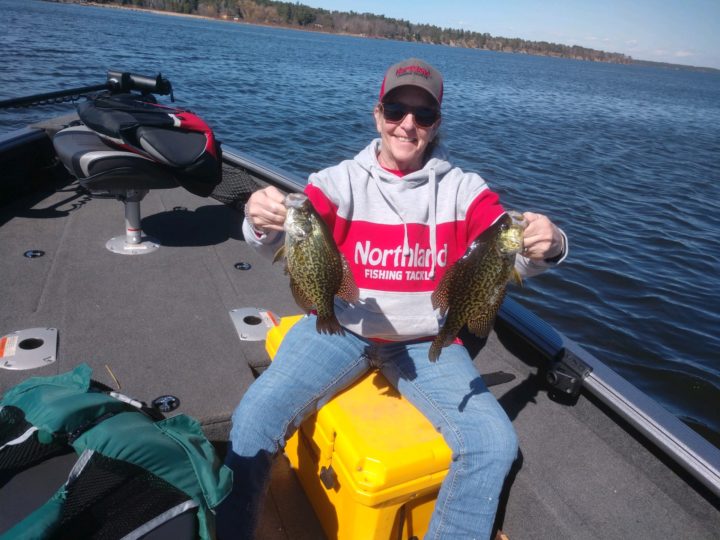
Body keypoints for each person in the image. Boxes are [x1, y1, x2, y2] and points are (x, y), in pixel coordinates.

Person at [217, 58, 567, 539]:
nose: (407, 124)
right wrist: (259, 216)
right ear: (378, 114)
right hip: (339, 328)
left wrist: (549, 243)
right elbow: (279, 239)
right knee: (254, 419)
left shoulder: (465, 190)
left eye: (422, 116)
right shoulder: (335, 182)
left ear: (435, 126)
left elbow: (509, 254)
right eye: (396, 109)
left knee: (493, 443)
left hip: (426, 343)